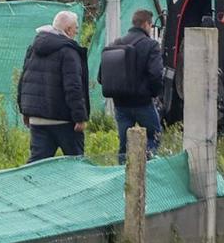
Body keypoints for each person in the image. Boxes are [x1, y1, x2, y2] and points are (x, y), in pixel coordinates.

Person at [17, 10, 90, 162]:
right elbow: (73, 87)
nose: (77, 31)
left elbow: (23, 80)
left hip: (38, 119)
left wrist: (25, 111)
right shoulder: (69, 51)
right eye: (76, 28)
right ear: (68, 30)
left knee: (37, 165)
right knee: (76, 163)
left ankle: (26, 185)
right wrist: (79, 117)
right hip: (63, 119)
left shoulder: (34, 48)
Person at [104, 9, 165, 162]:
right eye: (151, 25)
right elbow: (156, 74)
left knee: (124, 144)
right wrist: (154, 93)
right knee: (154, 136)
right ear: (146, 24)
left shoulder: (116, 44)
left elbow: (102, 75)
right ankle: (146, 168)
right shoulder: (151, 45)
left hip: (120, 104)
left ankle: (123, 174)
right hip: (143, 103)